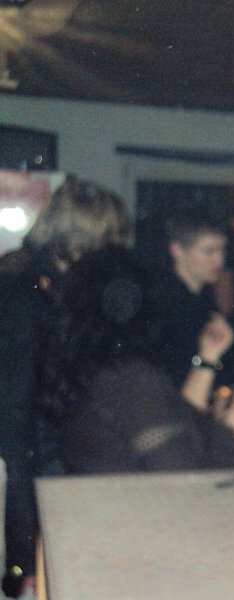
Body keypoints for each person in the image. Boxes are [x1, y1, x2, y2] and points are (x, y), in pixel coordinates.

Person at [0, 174, 130, 598]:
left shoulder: (60, 290)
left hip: (52, 473)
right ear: (79, 242)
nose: (115, 250)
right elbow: (14, 425)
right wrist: (21, 548)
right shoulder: (21, 297)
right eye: (109, 239)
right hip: (29, 480)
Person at [42, 245, 234, 473]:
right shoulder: (132, 379)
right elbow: (179, 479)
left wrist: (209, 359)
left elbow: (169, 430)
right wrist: (230, 432)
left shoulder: (98, 372)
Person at [150, 210, 234, 392]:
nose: (219, 260)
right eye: (209, 251)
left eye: (222, 250)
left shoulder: (202, 297)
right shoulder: (163, 304)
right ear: (177, 251)